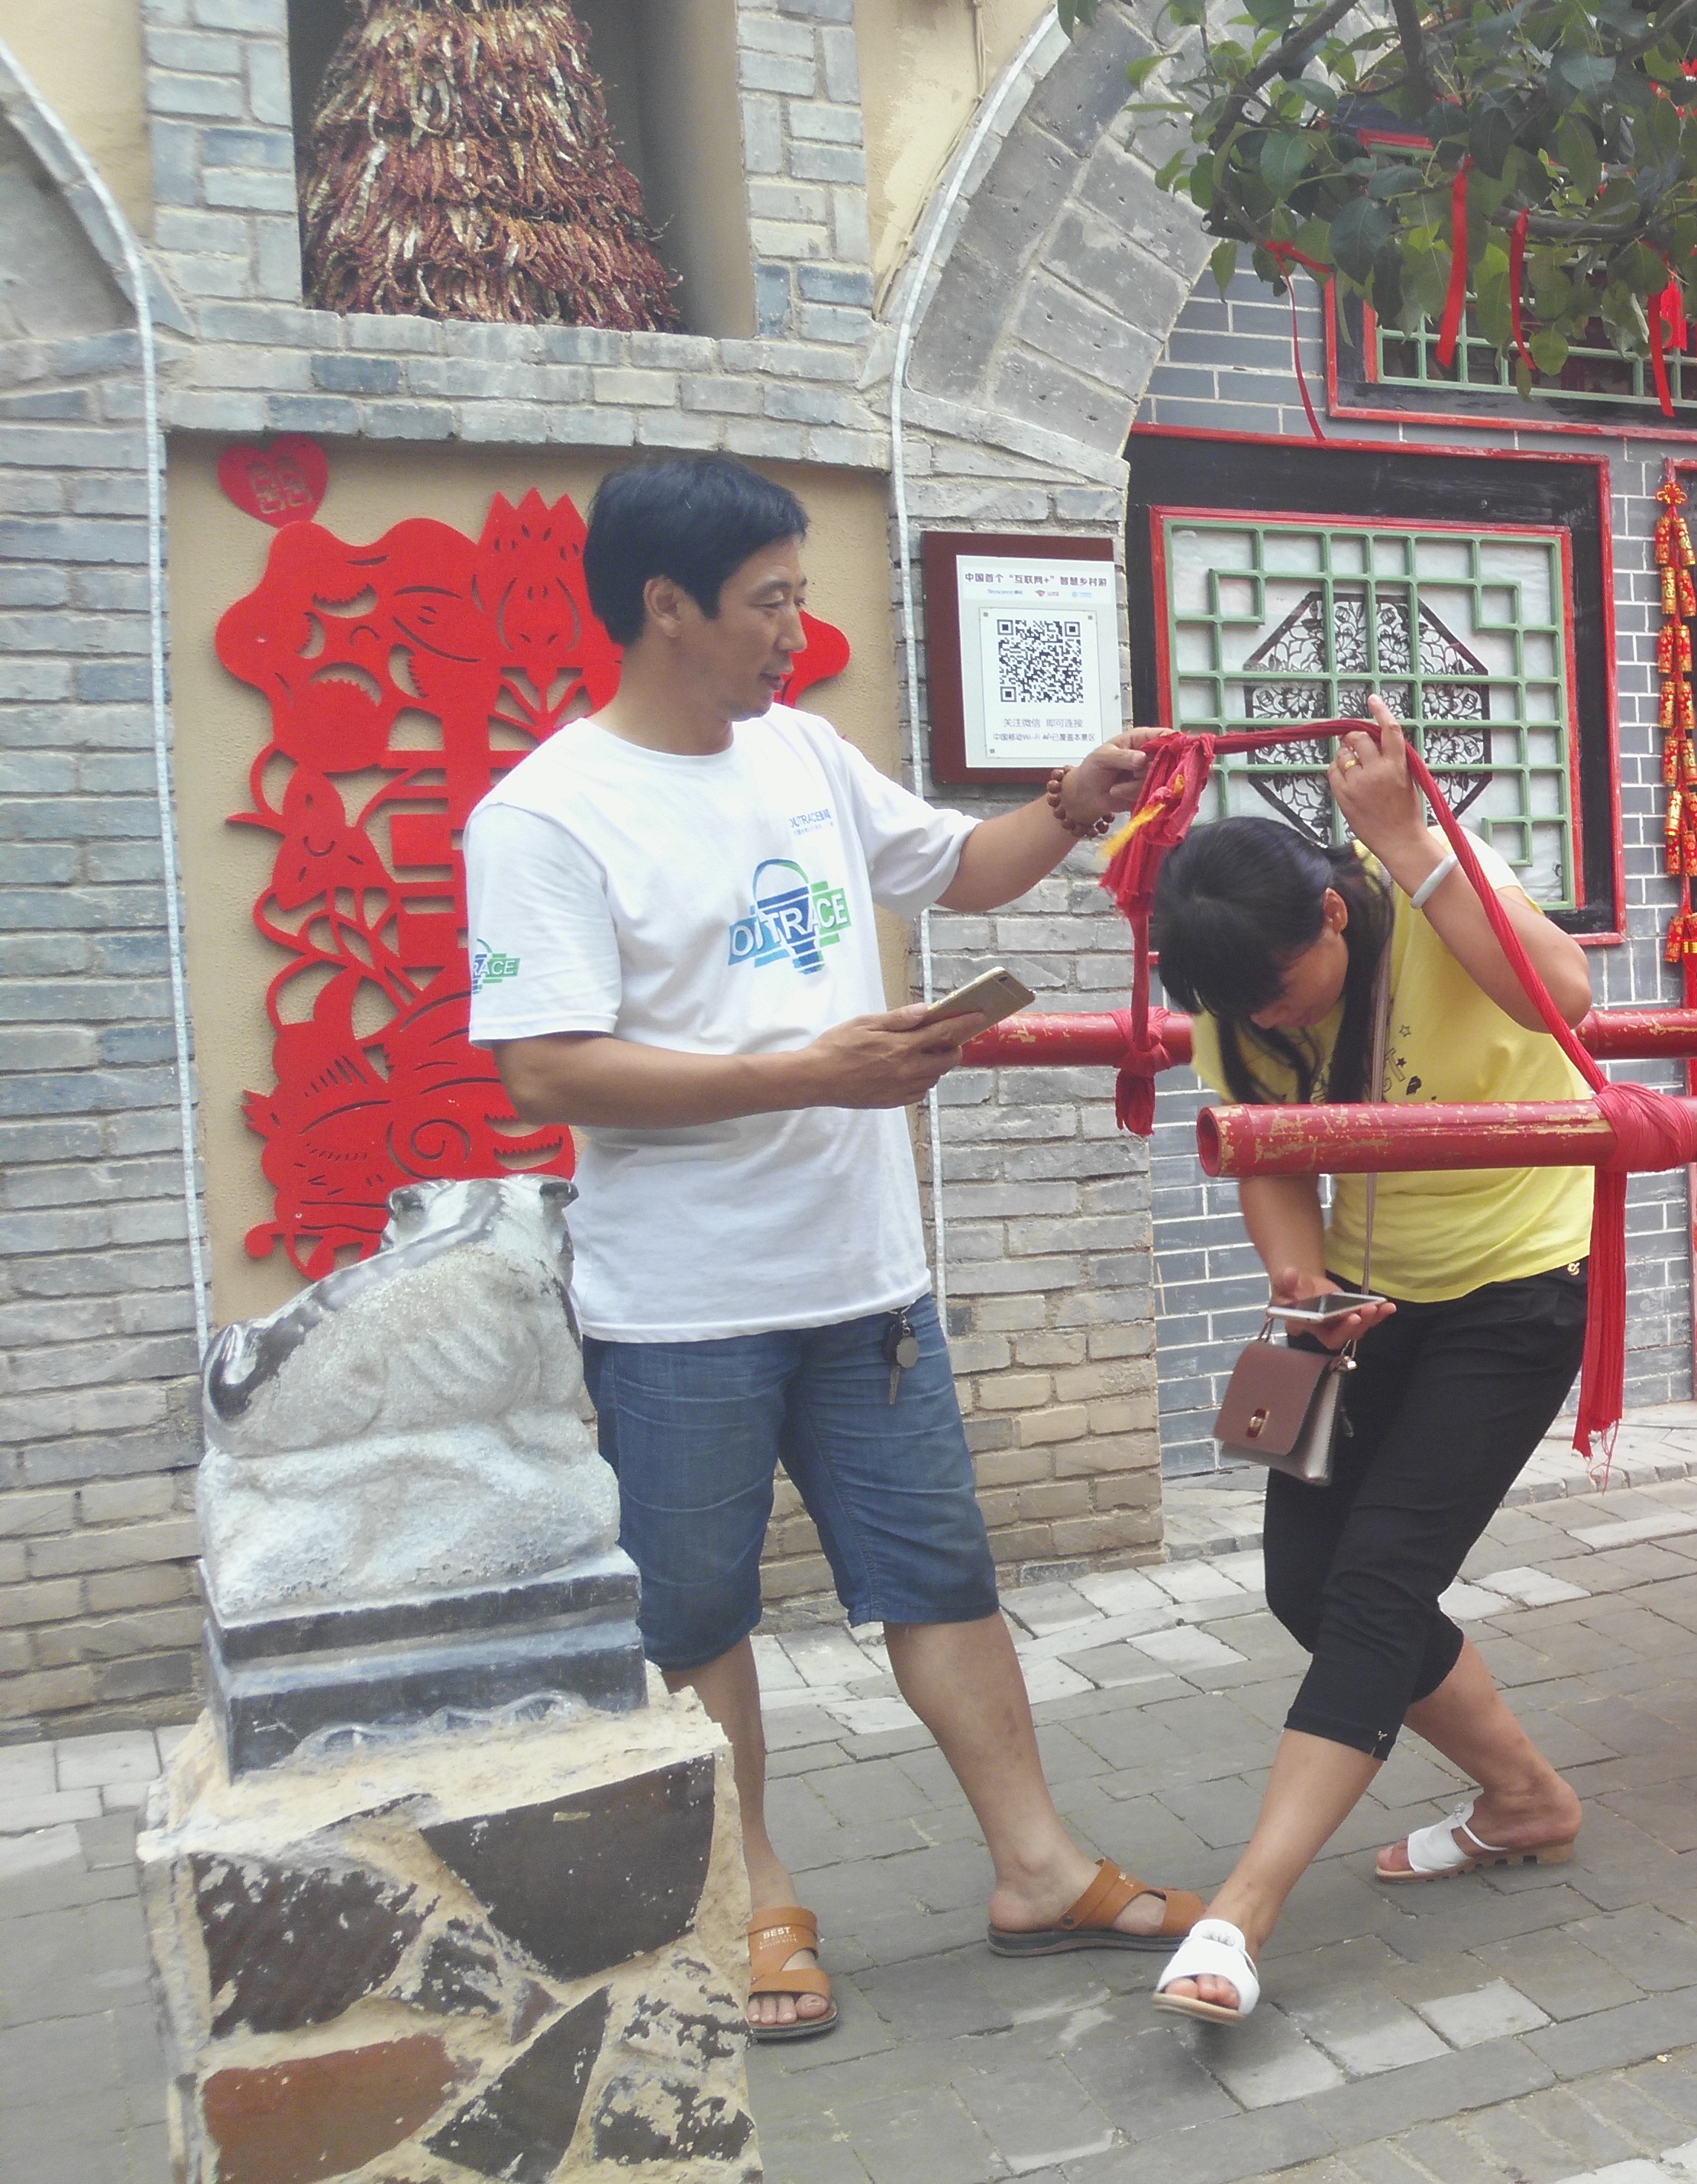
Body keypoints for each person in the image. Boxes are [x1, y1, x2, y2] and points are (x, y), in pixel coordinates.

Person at [465, 457, 1196, 2042]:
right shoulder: (542, 817)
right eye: (774, 599)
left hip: (864, 1284)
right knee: (698, 1616)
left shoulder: (799, 752)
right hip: (678, 1311)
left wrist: (1071, 806)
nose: (800, 628)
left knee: (940, 1578)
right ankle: (754, 1898)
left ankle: (1036, 1865)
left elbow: (953, 866)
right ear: (669, 607)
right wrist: (809, 1072)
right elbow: (547, 1068)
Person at [1140, 700, 1599, 2026]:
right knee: (1308, 1583)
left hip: (1516, 1284)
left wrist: (1411, 839)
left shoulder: (1436, 886)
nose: (1262, 1018)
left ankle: (1242, 1913)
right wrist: (1300, 1285)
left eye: (1279, 991)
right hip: (1369, 1299)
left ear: (1332, 917)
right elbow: (1262, 1148)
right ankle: (1525, 1798)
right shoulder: (1242, 996)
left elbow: (1562, 999)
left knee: (1378, 1586)